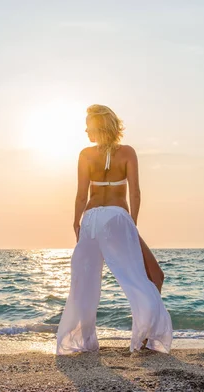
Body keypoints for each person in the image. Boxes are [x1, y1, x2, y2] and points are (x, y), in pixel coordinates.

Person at [56, 104, 173, 355]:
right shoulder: (127, 152)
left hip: (91, 219)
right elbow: (136, 192)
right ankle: (145, 338)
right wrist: (133, 222)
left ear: (99, 127)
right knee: (150, 277)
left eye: (89, 125)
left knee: (84, 282)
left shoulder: (85, 154)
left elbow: (80, 195)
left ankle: (83, 341)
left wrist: (76, 222)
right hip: (117, 218)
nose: (86, 130)